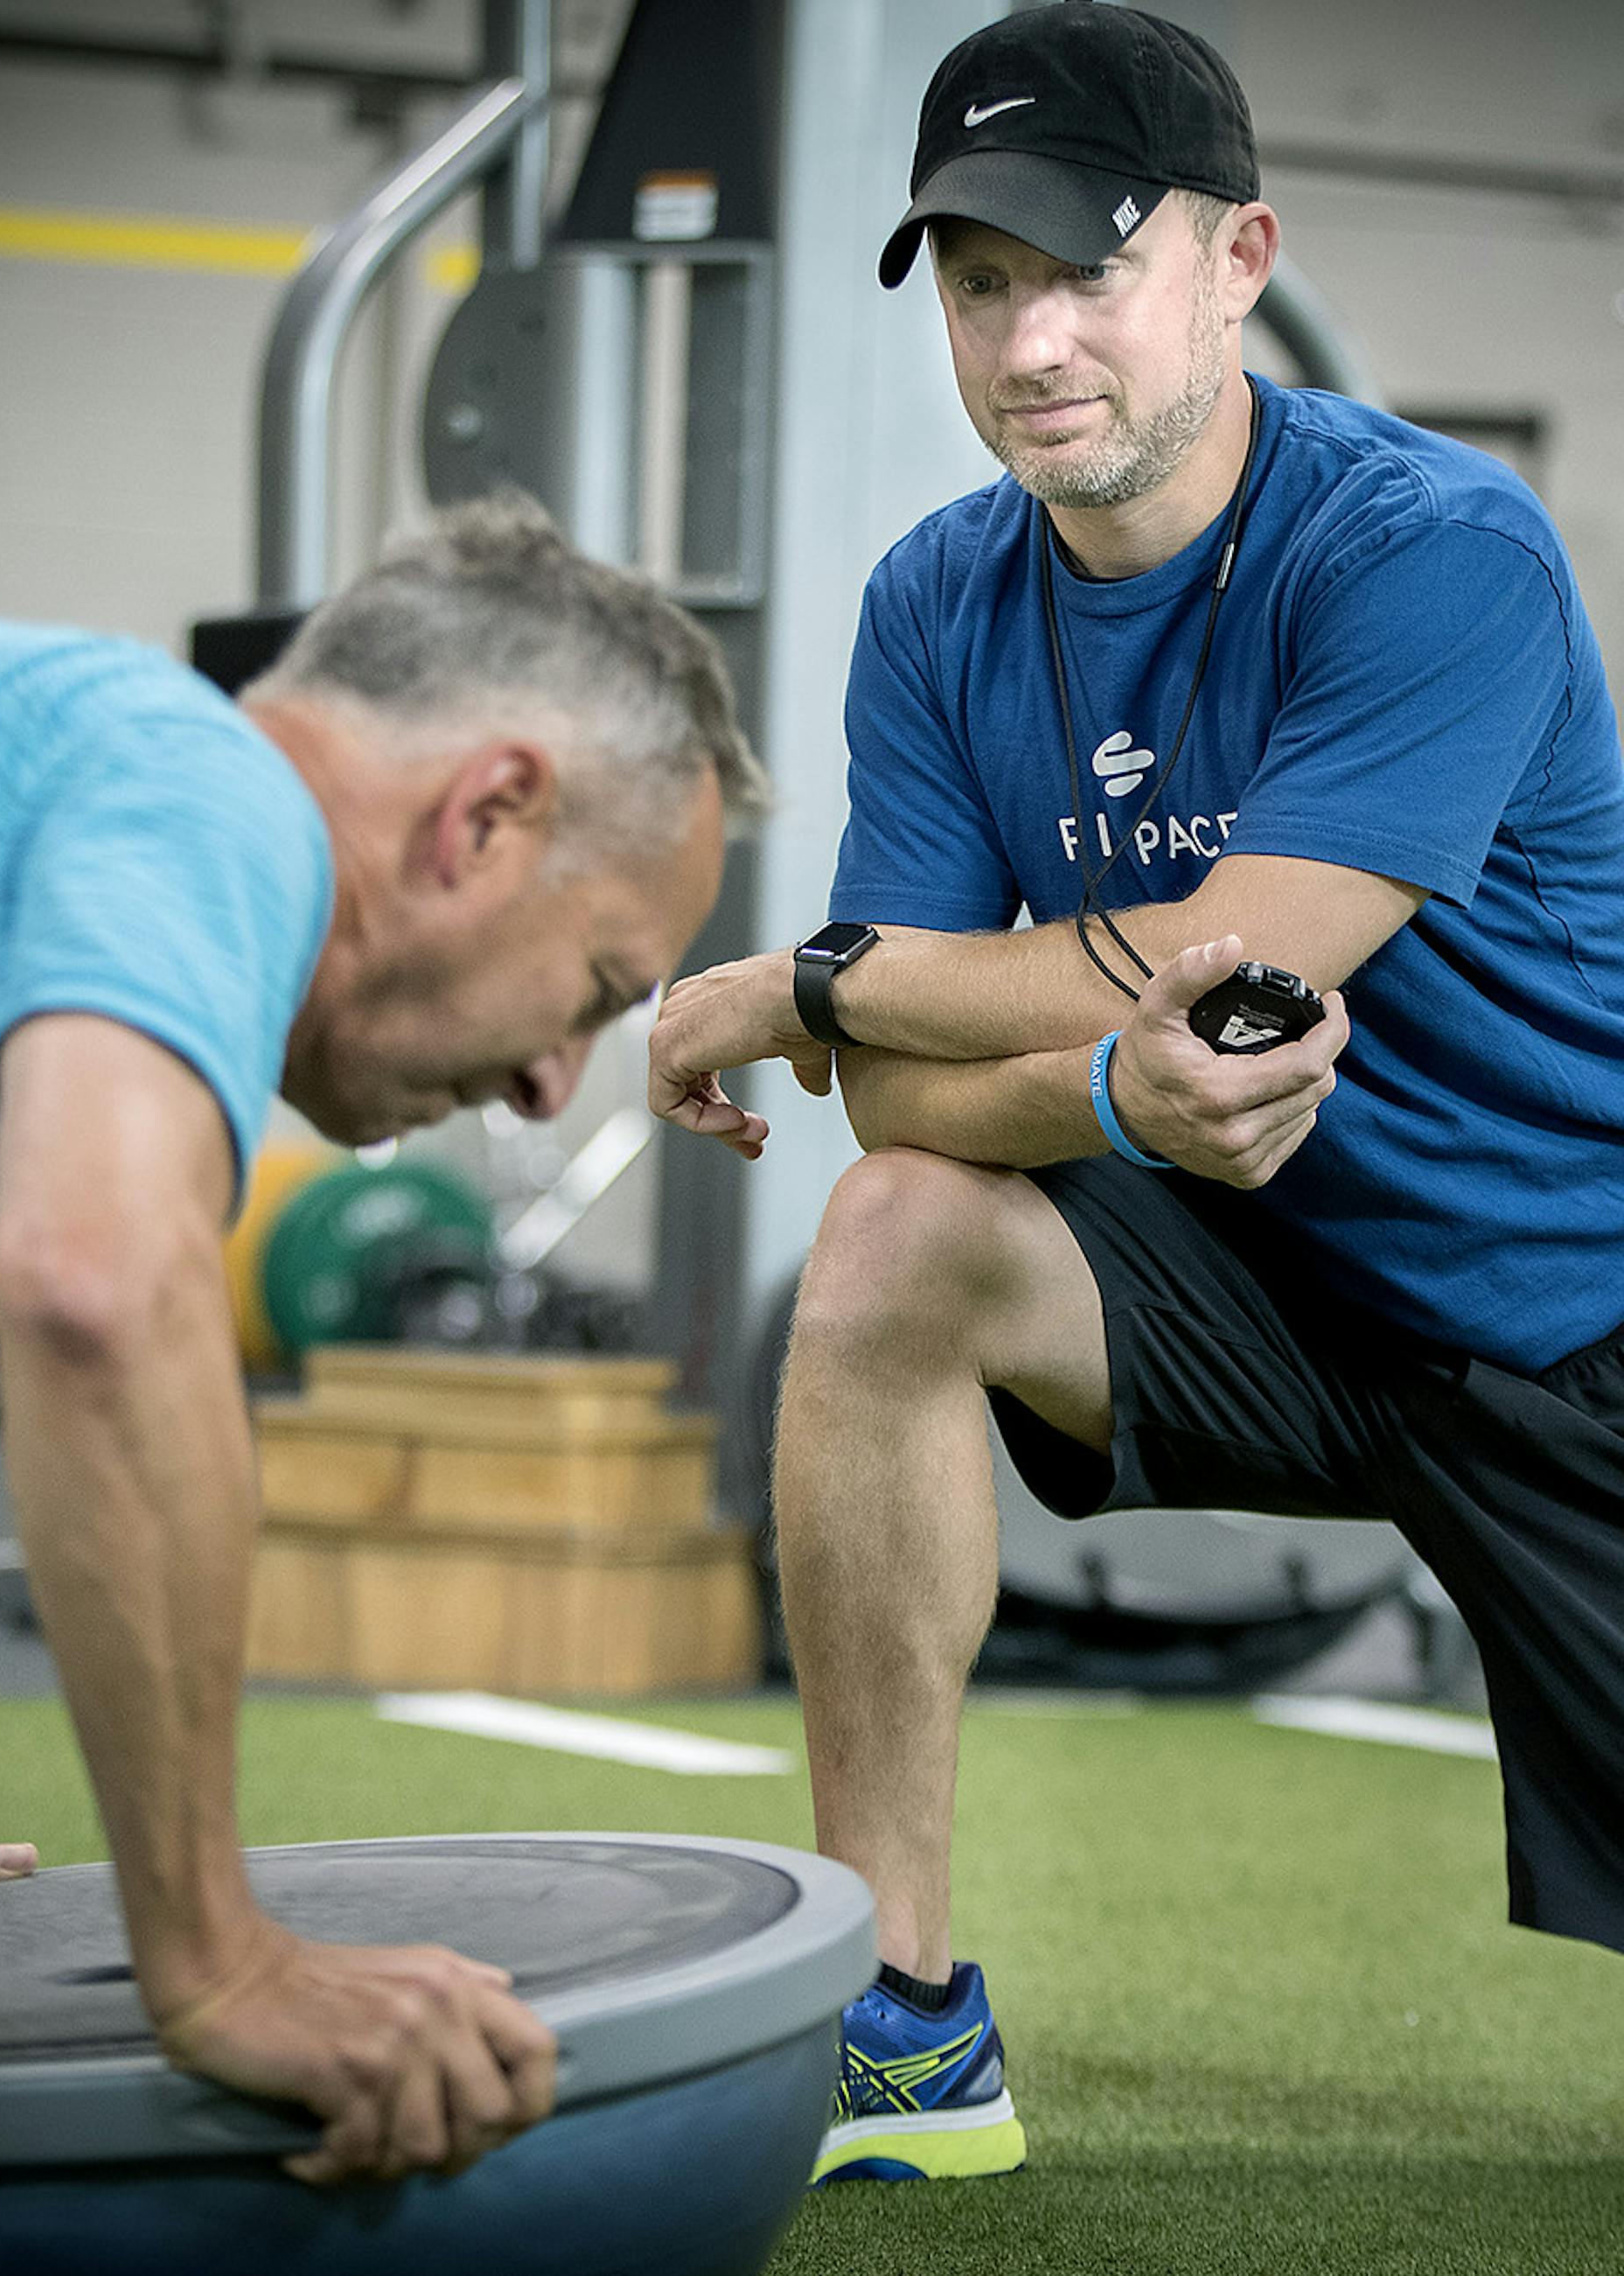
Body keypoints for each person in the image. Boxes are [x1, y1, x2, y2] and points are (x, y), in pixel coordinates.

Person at [648, 0, 1624, 2189]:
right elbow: (907, 1101)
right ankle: (899, 2018)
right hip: (1243, 1279)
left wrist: (801, 975)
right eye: (983, 285)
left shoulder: (1433, 547)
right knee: (888, 1243)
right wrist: (1096, 1083)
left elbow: (1227, 957)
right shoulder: (937, 600)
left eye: (1087, 267)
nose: (1029, 341)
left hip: (1574, 1310)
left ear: (1236, 255)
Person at [0, 490, 768, 2185]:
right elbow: (94, 1284)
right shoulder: (206, 791)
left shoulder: (63, 779)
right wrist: (216, 1952)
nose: (546, 1081)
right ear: (486, 814)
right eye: (594, 984)